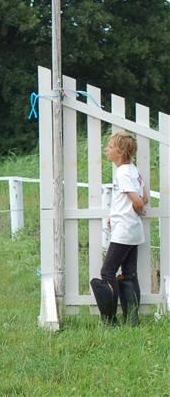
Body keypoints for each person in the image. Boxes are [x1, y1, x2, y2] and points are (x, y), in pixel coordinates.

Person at [91, 132, 148, 326]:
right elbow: (145, 196)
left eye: (110, 146)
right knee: (129, 273)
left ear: (120, 151)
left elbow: (139, 200)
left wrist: (138, 208)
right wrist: (123, 213)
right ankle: (132, 320)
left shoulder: (122, 172)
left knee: (107, 272)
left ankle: (110, 321)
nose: (107, 149)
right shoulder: (135, 171)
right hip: (133, 230)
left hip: (124, 230)